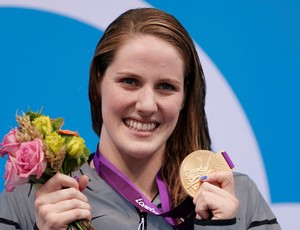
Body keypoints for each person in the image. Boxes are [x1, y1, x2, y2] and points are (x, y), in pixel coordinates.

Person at [0, 7, 280, 230]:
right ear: (98, 84)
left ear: (184, 98)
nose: (147, 105)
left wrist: (222, 228)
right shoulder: (33, 200)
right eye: (130, 81)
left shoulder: (237, 197)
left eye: (166, 87)